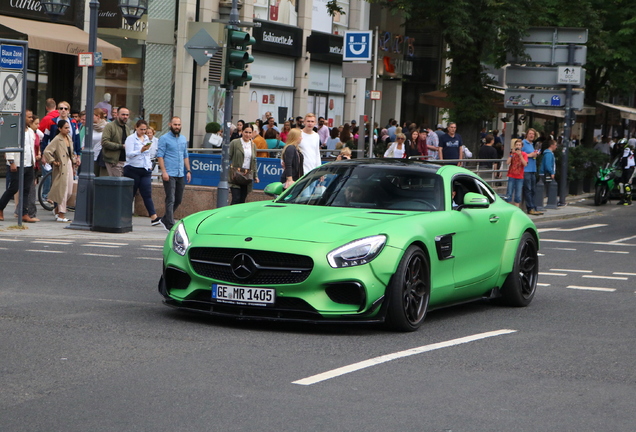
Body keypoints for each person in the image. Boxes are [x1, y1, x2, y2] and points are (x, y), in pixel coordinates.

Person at [0, 110, 38, 223]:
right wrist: (11, 161)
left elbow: (31, 148)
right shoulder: (15, 129)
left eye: (32, 117)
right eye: (29, 117)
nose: (31, 119)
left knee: (26, 189)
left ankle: (24, 213)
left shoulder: (31, 131)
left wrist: (34, 162)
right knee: (13, 188)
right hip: (17, 164)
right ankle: (0, 207)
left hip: (29, 164)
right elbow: (9, 145)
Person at [157, 117, 191, 230]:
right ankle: (170, 224)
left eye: (179, 125)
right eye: (175, 124)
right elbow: (160, 156)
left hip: (180, 173)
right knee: (170, 198)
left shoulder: (183, 139)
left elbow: (185, 155)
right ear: (170, 124)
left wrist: (188, 170)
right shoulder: (164, 138)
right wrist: (164, 172)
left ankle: (165, 218)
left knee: (178, 199)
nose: (177, 127)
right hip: (169, 173)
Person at [124, 120, 160, 225]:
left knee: (147, 193)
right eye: (141, 129)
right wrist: (140, 150)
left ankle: (153, 216)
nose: (143, 132)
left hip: (144, 169)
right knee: (131, 193)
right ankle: (124, 215)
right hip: (133, 168)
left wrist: (149, 166)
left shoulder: (146, 138)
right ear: (136, 128)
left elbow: (148, 154)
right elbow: (129, 154)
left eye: (145, 129)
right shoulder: (131, 138)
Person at [42, 120, 77, 222]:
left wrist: (74, 161)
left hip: (69, 165)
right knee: (63, 190)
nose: (68, 130)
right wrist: (53, 161)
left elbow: (71, 152)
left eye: (68, 127)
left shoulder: (69, 138)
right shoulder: (57, 139)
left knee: (69, 191)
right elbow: (47, 151)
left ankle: (57, 210)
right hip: (62, 167)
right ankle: (61, 214)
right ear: (60, 129)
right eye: (65, 128)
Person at [229, 124, 259, 204]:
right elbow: (228, 157)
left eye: (250, 132)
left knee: (242, 200)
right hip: (236, 174)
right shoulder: (235, 143)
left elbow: (254, 161)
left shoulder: (253, 145)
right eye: (246, 132)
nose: (248, 135)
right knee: (236, 198)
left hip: (247, 175)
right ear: (242, 132)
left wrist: (255, 175)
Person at [100, 106, 132, 177]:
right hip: (114, 161)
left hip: (125, 161)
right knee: (117, 184)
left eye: (127, 115)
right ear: (117, 114)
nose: (125, 117)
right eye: (123, 114)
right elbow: (105, 142)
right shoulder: (110, 126)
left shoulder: (127, 128)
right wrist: (121, 146)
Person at [522, 128, 542, 215]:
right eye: (530, 134)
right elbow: (519, 154)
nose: (531, 135)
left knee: (533, 190)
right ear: (527, 134)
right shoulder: (523, 143)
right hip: (526, 169)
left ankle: (534, 207)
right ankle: (530, 208)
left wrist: (536, 154)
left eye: (533, 134)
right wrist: (531, 155)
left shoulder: (532, 144)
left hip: (532, 169)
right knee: (528, 189)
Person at [505, 139, 528, 207]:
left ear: (522, 146)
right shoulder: (512, 153)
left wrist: (520, 155)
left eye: (519, 145)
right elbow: (507, 162)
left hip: (519, 177)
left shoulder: (524, 154)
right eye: (517, 145)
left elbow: (525, 164)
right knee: (509, 194)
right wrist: (511, 154)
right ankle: (508, 209)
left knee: (518, 195)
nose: (518, 146)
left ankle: (516, 209)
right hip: (511, 175)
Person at [616, 138, 635, 205]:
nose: (621, 146)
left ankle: (628, 200)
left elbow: (624, 159)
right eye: (620, 145)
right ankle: (622, 199)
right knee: (621, 184)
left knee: (627, 185)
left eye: (622, 145)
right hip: (625, 169)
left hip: (630, 169)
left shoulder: (627, 150)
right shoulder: (623, 151)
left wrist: (619, 165)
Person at [92, 108, 107, 176]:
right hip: (92, 156)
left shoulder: (107, 126)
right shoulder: (89, 127)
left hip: (102, 156)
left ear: (98, 116)